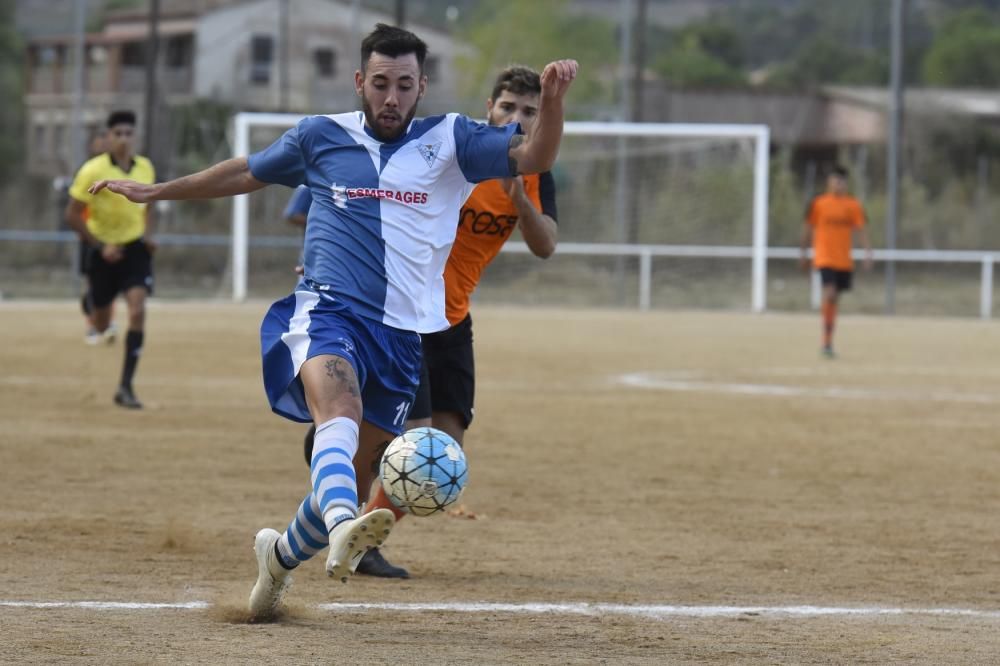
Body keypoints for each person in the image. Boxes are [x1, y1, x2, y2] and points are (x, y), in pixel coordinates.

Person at [87, 23, 577, 621]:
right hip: (329, 311)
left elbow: (534, 157)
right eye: (379, 84)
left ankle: (280, 559)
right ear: (359, 83)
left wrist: (551, 105)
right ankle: (347, 523)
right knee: (338, 413)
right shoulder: (321, 136)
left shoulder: (451, 140)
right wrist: (159, 191)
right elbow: (248, 171)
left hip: (403, 338)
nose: (390, 97)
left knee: (358, 460)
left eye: (403, 84)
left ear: (422, 86)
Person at [302, 65, 560, 579]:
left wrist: (519, 201)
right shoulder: (455, 156)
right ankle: (347, 520)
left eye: (530, 111)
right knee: (409, 438)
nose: (518, 118)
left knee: (445, 453)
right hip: (406, 313)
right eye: (508, 107)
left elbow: (545, 244)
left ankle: (364, 526)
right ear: (489, 107)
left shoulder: (533, 172)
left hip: (453, 318)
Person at [66, 111, 157, 408]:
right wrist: (100, 246)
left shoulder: (145, 167)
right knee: (103, 323)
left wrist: (149, 235)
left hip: (133, 250)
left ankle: (125, 387)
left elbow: (150, 204)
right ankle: (92, 303)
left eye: (129, 133)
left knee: (137, 311)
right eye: (117, 133)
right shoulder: (92, 170)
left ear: (135, 137)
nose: (123, 139)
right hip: (102, 250)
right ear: (108, 137)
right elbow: (72, 214)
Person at [799, 165, 872, 358]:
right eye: (835, 180)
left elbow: (861, 229)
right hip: (824, 257)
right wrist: (804, 253)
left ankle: (829, 341)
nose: (838, 184)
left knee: (835, 298)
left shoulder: (852, 205)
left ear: (846, 183)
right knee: (830, 293)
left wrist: (867, 252)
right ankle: (825, 342)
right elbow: (807, 228)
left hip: (843, 260)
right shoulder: (819, 203)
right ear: (829, 182)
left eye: (842, 180)